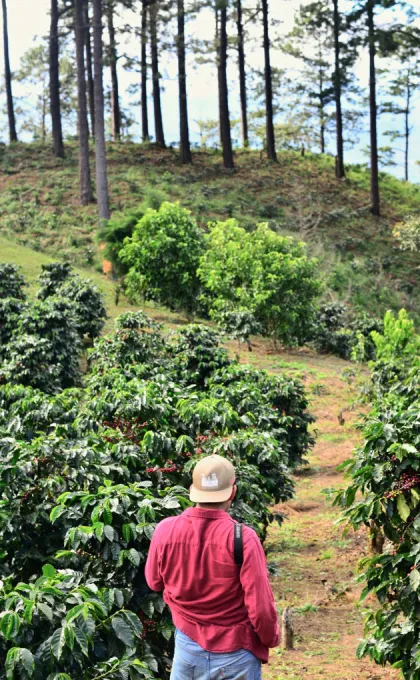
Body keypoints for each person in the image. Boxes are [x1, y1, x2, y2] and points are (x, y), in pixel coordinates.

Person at [145, 453, 280, 680]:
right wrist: (270, 638)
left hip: (187, 648)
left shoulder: (165, 530)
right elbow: (261, 607)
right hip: (236, 653)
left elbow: (154, 581)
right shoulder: (243, 538)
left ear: (192, 491)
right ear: (232, 492)